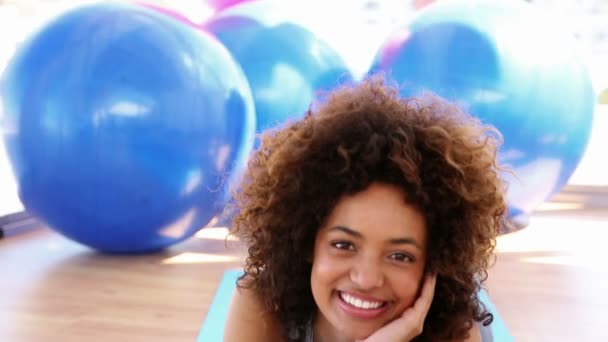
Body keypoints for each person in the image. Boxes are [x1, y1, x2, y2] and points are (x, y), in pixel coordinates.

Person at [224, 76, 507, 341]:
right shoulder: (261, 307)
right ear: (307, 242)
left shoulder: (457, 332)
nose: (366, 278)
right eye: (344, 244)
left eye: (400, 255)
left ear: (433, 265)